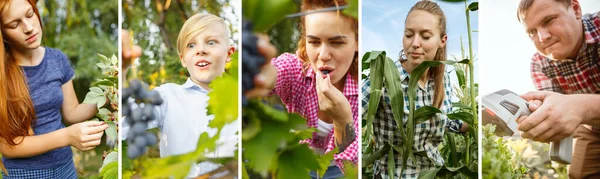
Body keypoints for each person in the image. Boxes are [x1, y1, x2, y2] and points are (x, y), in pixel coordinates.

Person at [247, 0, 359, 178]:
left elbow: (355, 168)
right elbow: (272, 73)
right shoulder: (295, 70)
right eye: (314, 42)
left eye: (336, 43)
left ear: (357, 43)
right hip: (298, 166)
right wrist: (258, 71)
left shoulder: (364, 89)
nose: (323, 55)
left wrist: (343, 122)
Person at [121, 13, 238, 178]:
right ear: (183, 59)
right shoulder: (167, 96)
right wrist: (122, 71)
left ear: (229, 54)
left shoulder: (241, 100)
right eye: (191, 45)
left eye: (211, 42)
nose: (201, 50)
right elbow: (125, 122)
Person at [0, 0, 108, 178]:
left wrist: (107, 95)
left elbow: (72, 112)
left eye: (30, 14)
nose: (28, 27)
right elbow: (8, 147)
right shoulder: (3, 75)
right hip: (24, 173)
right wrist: (67, 137)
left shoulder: (57, 59)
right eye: (14, 24)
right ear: (3, 33)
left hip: (65, 167)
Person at [361, 1, 469, 178]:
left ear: (442, 41)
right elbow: (349, 116)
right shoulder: (384, 76)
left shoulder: (443, 79)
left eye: (425, 36)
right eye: (409, 34)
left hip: (433, 173)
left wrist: (474, 124)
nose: (415, 43)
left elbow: (445, 120)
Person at [514, 0, 600, 177]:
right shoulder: (539, 64)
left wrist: (581, 107)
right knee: (579, 174)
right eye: (532, 32)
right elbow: (560, 113)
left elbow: (574, 109)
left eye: (549, 20)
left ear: (575, 9)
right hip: (592, 127)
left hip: (587, 116)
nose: (542, 37)